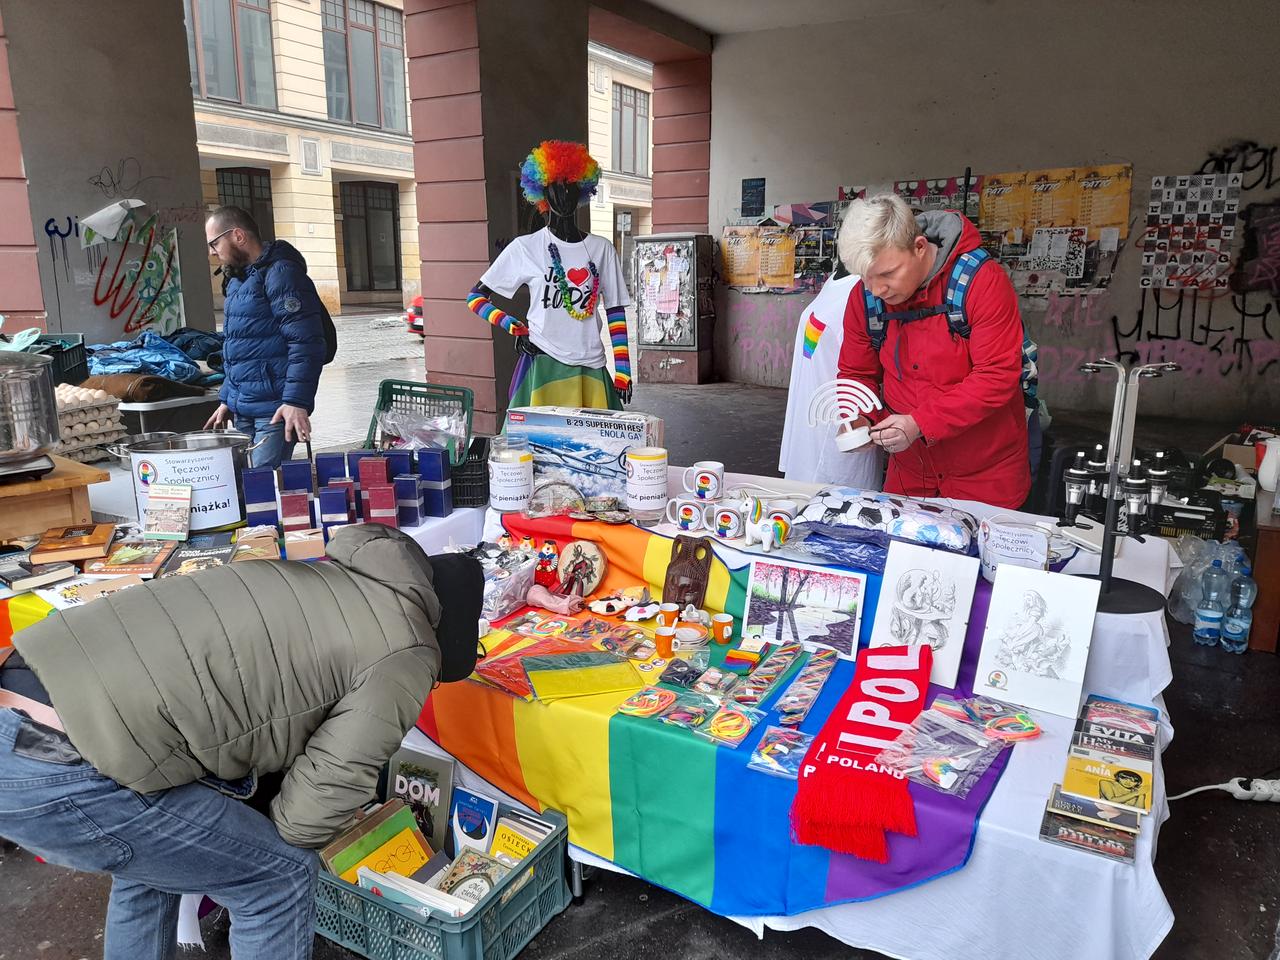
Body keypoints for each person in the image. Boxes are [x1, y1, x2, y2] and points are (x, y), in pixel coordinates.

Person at [0, 525, 483, 960]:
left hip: (29, 696)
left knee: (156, 863)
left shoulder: (313, 575)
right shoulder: (407, 645)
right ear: (446, 631)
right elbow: (310, 813)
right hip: (59, 762)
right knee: (279, 877)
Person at [836, 194, 1031, 507]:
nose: (877, 290)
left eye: (887, 274)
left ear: (919, 247)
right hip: (911, 474)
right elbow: (856, 373)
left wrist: (919, 424)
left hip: (985, 473)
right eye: (865, 277)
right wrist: (857, 417)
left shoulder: (982, 283)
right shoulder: (866, 299)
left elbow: (996, 376)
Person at [467, 141, 632, 410]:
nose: (564, 194)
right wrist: (512, 325)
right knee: (538, 446)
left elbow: (615, 311)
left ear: (583, 189)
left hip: (590, 366)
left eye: (571, 185)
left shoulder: (602, 250)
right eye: (556, 186)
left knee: (594, 447)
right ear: (542, 191)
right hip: (542, 363)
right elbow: (476, 298)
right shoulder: (525, 247)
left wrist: (623, 371)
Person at [203, 205, 327, 468]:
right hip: (243, 407)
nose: (212, 252)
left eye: (214, 243)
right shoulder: (237, 281)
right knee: (243, 489)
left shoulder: (283, 274)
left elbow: (306, 343)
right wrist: (228, 398)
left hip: (275, 409)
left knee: (262, 491)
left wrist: (296, 401)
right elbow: (239, 349)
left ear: (238, 236)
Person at [778, 265, 883, 488]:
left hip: (840, 431)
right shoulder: (836, 277)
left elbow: (865, 368)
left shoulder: (864, 289)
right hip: (807, 426)